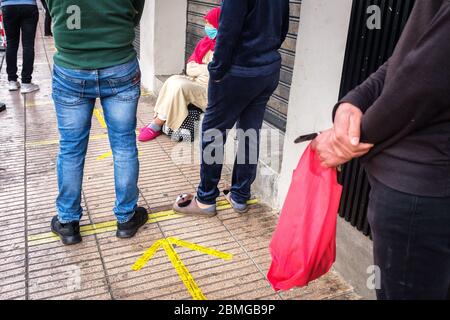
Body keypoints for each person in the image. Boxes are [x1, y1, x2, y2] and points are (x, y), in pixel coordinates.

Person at [312, 0, 450, 300]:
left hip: (423, 192)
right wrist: (352, 101)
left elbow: (424, 80)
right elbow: (402, 61)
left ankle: (208, 197)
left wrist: (345, 142)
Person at [173, 0, 290, 216]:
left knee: (213, 132)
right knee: (249, 133)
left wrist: (217, 70)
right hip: (267, 70)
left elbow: (227, 31)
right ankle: (239, 195)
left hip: (237, 71)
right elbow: (283, 29)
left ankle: (206, 199)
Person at [47, 0, 147, 245]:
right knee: (124, 145)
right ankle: (126, 218)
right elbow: (135, 13)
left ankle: (68, 222)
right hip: (120, 63)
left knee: (70, 148)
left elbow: (51, 9)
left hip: (71, 66)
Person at [139, 7, 221, 142]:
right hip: (196, 81)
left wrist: (202, 69)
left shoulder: (225, 47)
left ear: (219, 24)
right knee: (172, 80)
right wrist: (207, 69)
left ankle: (157, 125)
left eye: (210, 23)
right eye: (206, 23)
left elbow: (218, 72)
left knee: (179, 85)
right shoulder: (205, 43)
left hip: (210, 91)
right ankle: (157, 120)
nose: (207, 27)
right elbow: (190, 68)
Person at [1, 0, 39, 93]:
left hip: (8, 6)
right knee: (28, 44)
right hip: (29, 5)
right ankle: (26, 83)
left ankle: (12, 81)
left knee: (11, 44)